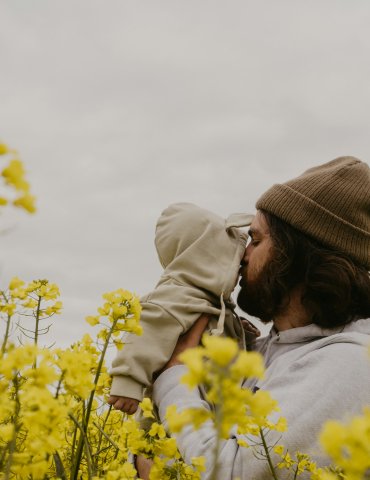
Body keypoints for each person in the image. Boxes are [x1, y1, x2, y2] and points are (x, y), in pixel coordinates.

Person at [138, 156, 370, 479]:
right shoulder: (265, 352)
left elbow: (232, 473)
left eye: (256, 240)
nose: (242, 256)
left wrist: (174, 375)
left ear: (296, 256)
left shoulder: (350, 364)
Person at [108, 202, 257, 414]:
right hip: (170, 423)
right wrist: (127, 382)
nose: (240, 268)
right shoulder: (177, 296)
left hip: (210, 419)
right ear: (205, 258)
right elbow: (146, 332)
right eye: (233, 261)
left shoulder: (216, 305)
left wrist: (242, 335)